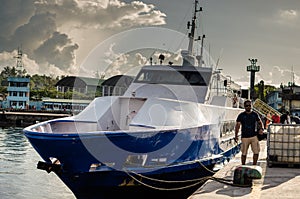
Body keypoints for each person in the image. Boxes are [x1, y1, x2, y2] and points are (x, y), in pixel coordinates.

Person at [235, 99, 264, 165]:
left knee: (256, 152)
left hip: (254, 136)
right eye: (246, 105)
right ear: (244, 106)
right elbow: (237, 126)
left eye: (249, 105)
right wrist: (236, 136)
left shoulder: (255, 114)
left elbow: (260, 122)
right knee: (244, 153)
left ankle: (254, 165)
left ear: (251, 106)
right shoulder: (241, 115)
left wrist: (261, 129)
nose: (248, 107)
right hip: (244, 137)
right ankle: (243, 165)